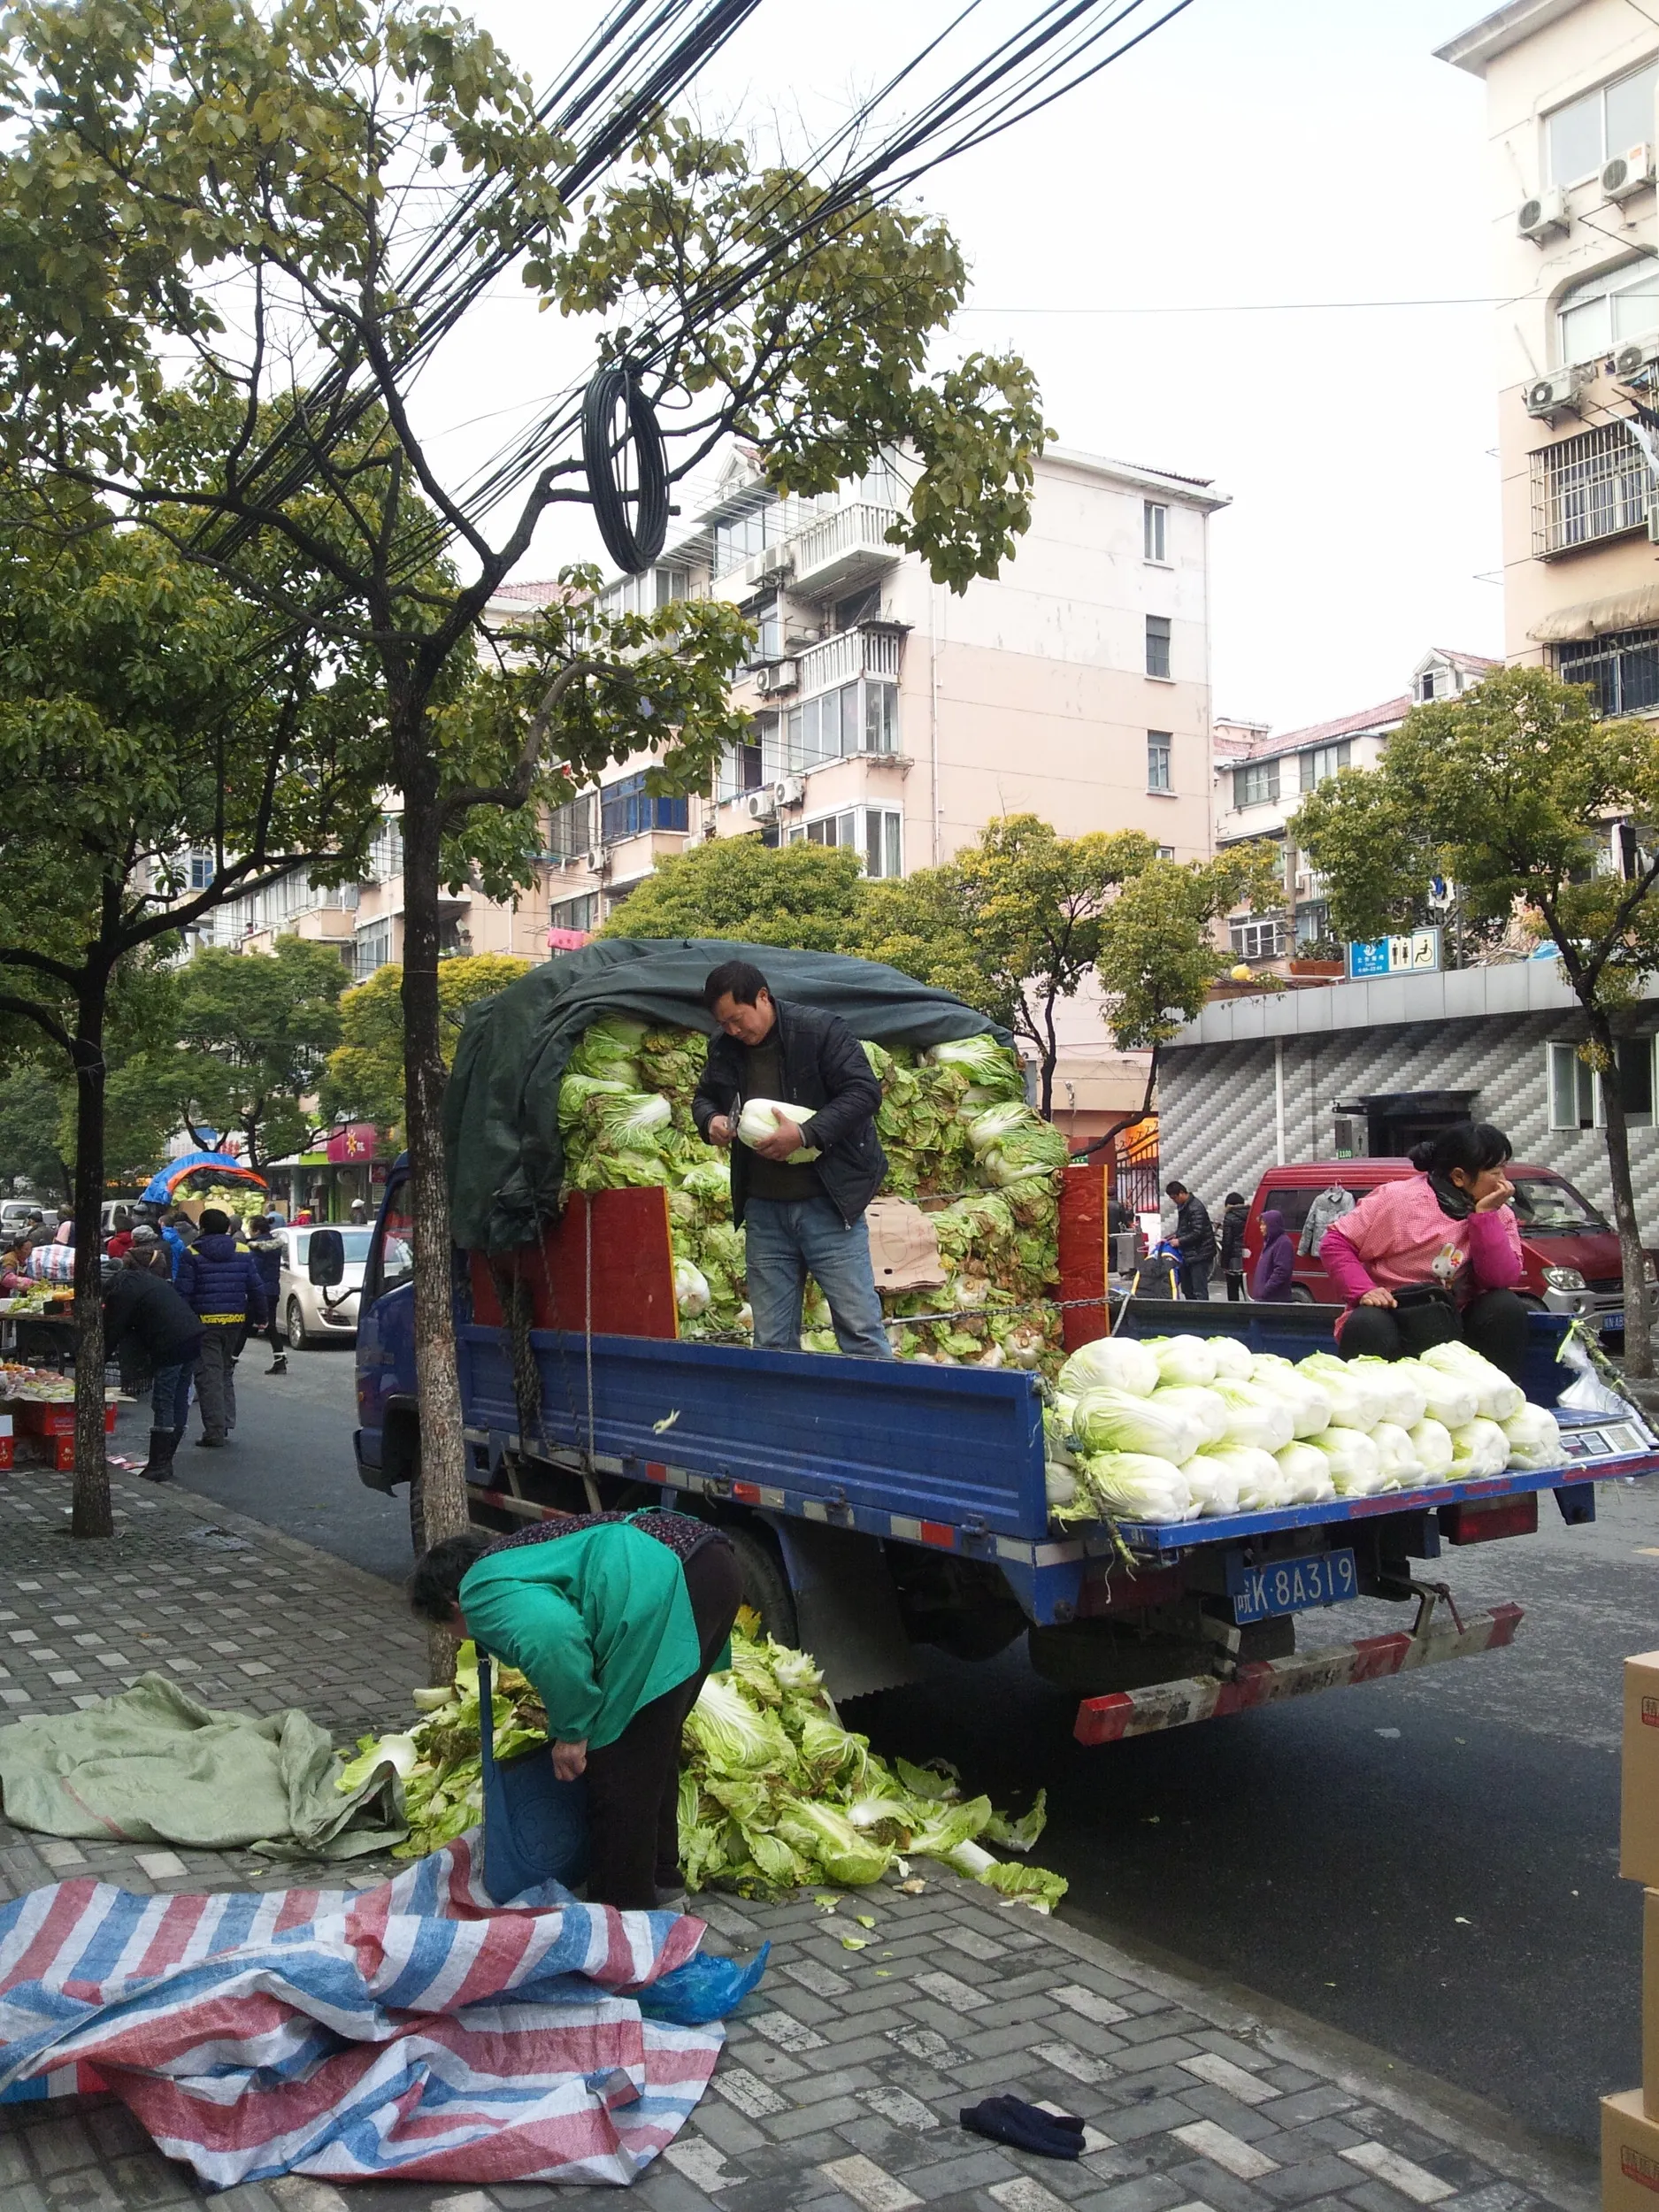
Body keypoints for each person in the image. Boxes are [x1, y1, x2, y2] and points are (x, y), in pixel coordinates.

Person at [409, 1509, 742, 1911]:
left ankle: (621, 1915)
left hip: (670, 1584)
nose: (454, 1635)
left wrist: (571, 1731)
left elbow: (554, 1639)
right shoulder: (522, 1555)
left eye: (446, 1627)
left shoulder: (479, 1590)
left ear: (451, 1604)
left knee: (616, 1764)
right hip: (711, 1563)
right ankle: (661, 1884)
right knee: (652, 1749)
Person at [692, 959, 892, 1358]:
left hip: (828, 1207)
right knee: (771, 1341)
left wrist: (804, 1133)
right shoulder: (724, 1047)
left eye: (737, 1019)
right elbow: (705, 1097)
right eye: (723, 1023)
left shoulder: (819, 1030)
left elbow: (863, 1093)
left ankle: (875, 1415)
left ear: (762, 997)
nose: (732, 1030)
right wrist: (710, 1120)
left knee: (860, 1331)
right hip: (765, 1213)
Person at [1318, 1122, 1527, 1380]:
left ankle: (1497, 1396)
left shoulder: (1500, 1214)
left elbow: (1500, 1279)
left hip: (1457, 1321)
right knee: (1367, 1323)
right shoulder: (1399, 1200)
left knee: (1505, 1305)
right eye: (1495, 1172)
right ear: (1459, 1176)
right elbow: (1336, 1242)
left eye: (1503, 1169)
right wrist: (1364, 1291)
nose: (1504, 1182)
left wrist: (1484, 1218)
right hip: (1395, 1313)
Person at [174, 1207, 267, 1447]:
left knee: (208, 1375)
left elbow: (184, 1292)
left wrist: (181, 1324)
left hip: (204, 1324)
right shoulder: (242, 1250)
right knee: (225, 1371)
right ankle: (225, 1422)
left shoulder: (192, 1253)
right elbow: (256, 1287)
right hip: (235, 1323)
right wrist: (261, 1316)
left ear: (202, 1228)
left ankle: (214, 1431)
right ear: (227, 1227)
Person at [103, 1263, 204, 1481]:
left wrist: (98, 1359)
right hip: (191, 1334)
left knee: (164, 1400)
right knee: (178, 1396)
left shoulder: (121, 1293)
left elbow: (113, 1329)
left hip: (170, 1342)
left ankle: (159, 1464)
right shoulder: (142, 1280)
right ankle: (166, 1459)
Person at [246, 1215, 288, 1375]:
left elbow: (253, 1271)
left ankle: (232, 1361)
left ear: (256, 1230)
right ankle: (280, 1359)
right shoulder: (275, 1246)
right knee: (270, 1325)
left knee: (246, 1326)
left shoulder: (256, 1250)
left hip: (258, 1291)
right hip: (272, 1290)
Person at [1164, 1181, 1216, 1302]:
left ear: (1182, 1193)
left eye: (1175, 1198)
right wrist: (1175, 1236)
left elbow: (1197, 1232)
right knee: (1187, 1288)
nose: (1174, 1201)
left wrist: (1179, 1241)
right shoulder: (1184, 1206)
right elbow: (1185, 1228)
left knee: (1199, 1289)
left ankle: (1202, 1315)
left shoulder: (1195, 1207)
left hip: (1200, 1254)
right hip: (1188, 1254)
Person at [1249, 1208, 1295, 1302]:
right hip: (1265, 1299)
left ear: (1272, 1225)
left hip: (1274, 1300)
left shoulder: (1283, 1243)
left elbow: (1282, 1271)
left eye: (1263, 1224)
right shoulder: (1270, 1242)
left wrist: (1265, 1291)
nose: (1260, 1227)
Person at [1218, 1191, 1249, 1301]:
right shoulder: (1251, 1214)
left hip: (1233, 1261)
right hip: (1248, 1257)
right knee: (1247, 1289)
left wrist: (1224, 1263)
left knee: (1233, 1290)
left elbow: (1227, 1242)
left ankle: (1234, 1314)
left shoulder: (1229, 1217)